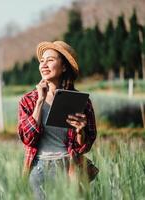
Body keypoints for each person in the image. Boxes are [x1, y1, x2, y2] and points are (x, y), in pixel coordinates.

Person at [17, 41, 97, 200]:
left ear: (64, 67)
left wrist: (80, 131)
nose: (44, 65)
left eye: (50, 60)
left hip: (69, 169)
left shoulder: (80, 102)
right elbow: (27, 139)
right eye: (42, 61)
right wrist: (40, 101)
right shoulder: (29, 101)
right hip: (38, 168)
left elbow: (84, 147)